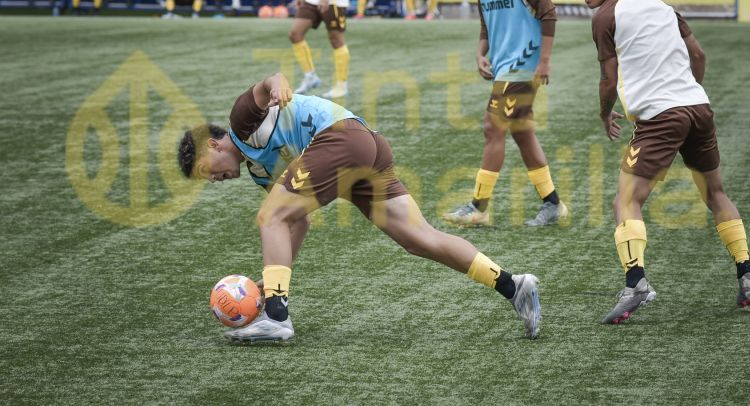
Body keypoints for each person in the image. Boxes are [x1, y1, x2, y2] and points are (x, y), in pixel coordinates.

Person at [177, 71, 543, 342]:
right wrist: (277, 277)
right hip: (365, 147)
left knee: (268, 215)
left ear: (213, 145)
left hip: (341, 139)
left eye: (206, 172)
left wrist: (279, 86)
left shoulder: (240, 121)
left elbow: (269, 81)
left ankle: (276, 317)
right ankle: (513, 286)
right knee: (419, 239)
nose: (212, 180)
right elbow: (297, 222)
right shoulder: (259, 172)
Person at [566, 0, 750, 324]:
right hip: (698, 108)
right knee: (716, 193)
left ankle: (636, 282)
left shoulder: (605, 16)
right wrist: (687, 96)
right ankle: (746, 275)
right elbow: (698, 55)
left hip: (661, 117)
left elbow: (609, 79)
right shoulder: (659, 5)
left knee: (625, 201)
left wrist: (604, 113)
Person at [444, 0, 567, 227]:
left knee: (492, 126)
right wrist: (480, 53)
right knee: (522, 133)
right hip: (502, 66)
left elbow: (548, 13)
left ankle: (478, 206)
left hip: (524, 65)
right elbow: (487, 23)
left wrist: (544, 61)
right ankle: (552, 203)